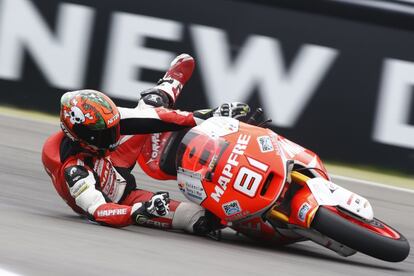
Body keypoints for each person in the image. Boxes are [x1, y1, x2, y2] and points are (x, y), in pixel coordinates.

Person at [42, 53, 250, 234]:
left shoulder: (103, 123)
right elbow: (99, 211)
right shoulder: (73, 171)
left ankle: (169, 83)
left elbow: (156, 118)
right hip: (122, 199)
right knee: (199, 220)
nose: (116, 134)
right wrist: (140, 211)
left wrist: (209, 116)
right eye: (108, 133)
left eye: (116, 127)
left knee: (150, 106)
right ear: (85, 139)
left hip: (113, 160)